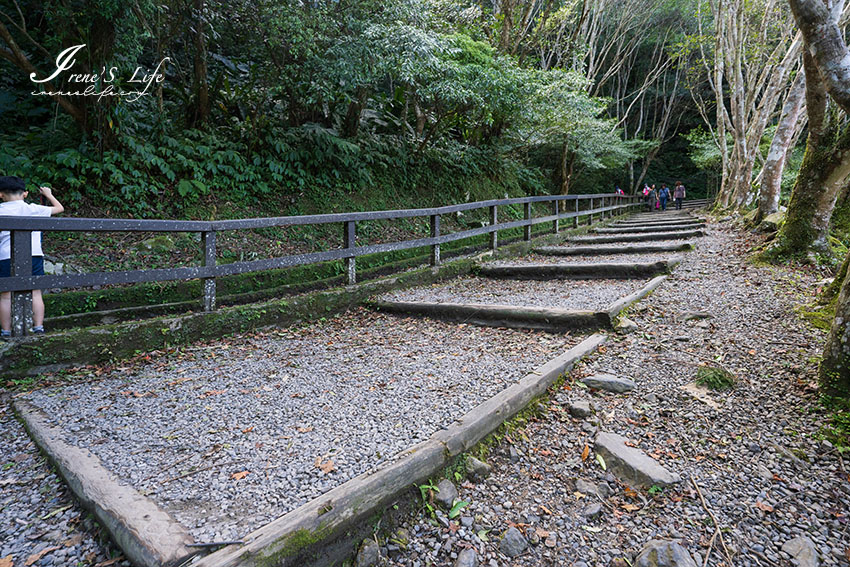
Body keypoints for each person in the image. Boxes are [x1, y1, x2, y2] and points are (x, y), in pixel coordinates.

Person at [0, 176, 64, 338]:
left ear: (1, 194)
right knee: (36, 292)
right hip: (33, 254)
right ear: (25, 194)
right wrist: (48, 194)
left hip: (6, 256)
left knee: (6, 295)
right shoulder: (33, 209)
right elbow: (59, 208)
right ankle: (38, 327)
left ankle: (6, 331)